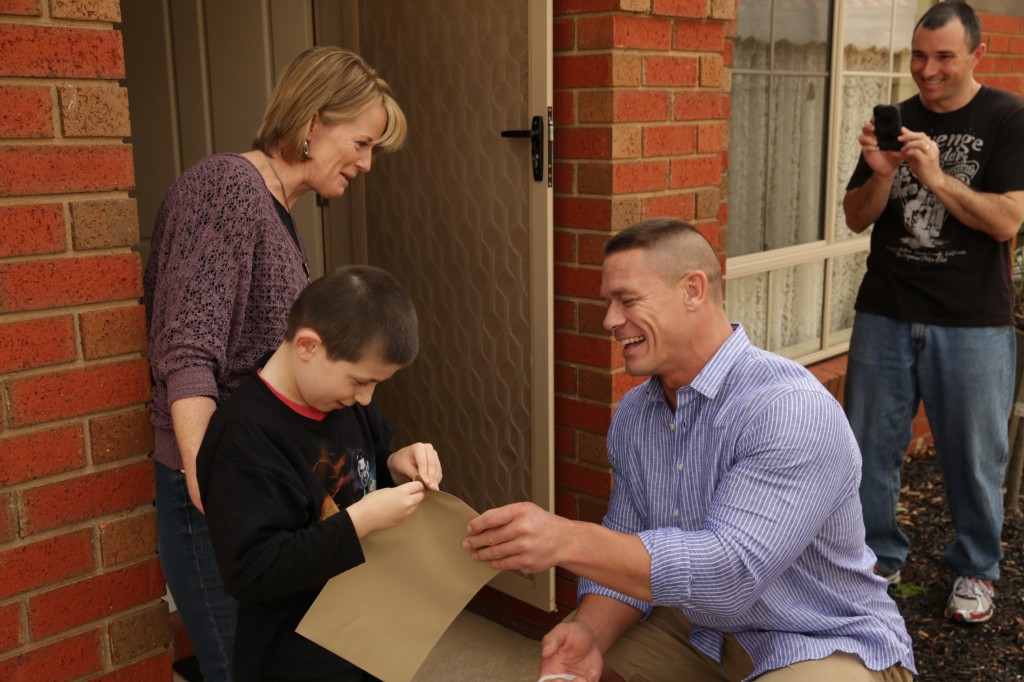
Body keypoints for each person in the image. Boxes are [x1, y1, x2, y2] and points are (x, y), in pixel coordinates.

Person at [463, 218, 917, 682]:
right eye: (608, 303)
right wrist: (592, 633)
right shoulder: (636, 414)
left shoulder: (788, 410)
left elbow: (729, 575)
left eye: (628, 300)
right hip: (704, 631)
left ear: (693, 290)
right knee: (580, 665)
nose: (610, 321)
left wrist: (564, 539)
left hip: (821, 637)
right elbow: (626, 540)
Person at [143, 47, 407, 680]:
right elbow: (187, 350)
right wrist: (217, 488)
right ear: (313, 123)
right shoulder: (227, 188)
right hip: (217, 485)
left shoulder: (278, 211)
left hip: (259, 485)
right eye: (362, 142)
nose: (367, 163)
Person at [842, 1, 1024, 624]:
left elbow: (1007, 220)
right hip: (886, 310)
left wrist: (936, 176)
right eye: (919, 55)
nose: (927, 69)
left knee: (974, 454)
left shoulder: (1007, 117)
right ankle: (875, 560)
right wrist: (883, 173)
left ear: (978, 54)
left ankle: (976, 569)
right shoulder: (894, 120)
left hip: (972, 320)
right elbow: (856, 216)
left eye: (944, 56)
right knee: (868, 450)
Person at [196, 265, 442, 682]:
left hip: (365, 634)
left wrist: (395, 463)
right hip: (294, 657)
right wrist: (357, 524)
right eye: (360, 380)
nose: (366, 397)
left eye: (377, 384)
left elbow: (366, 467)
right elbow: (251, 572)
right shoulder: (243, 441)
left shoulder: (345, 403)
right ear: (308, 346)